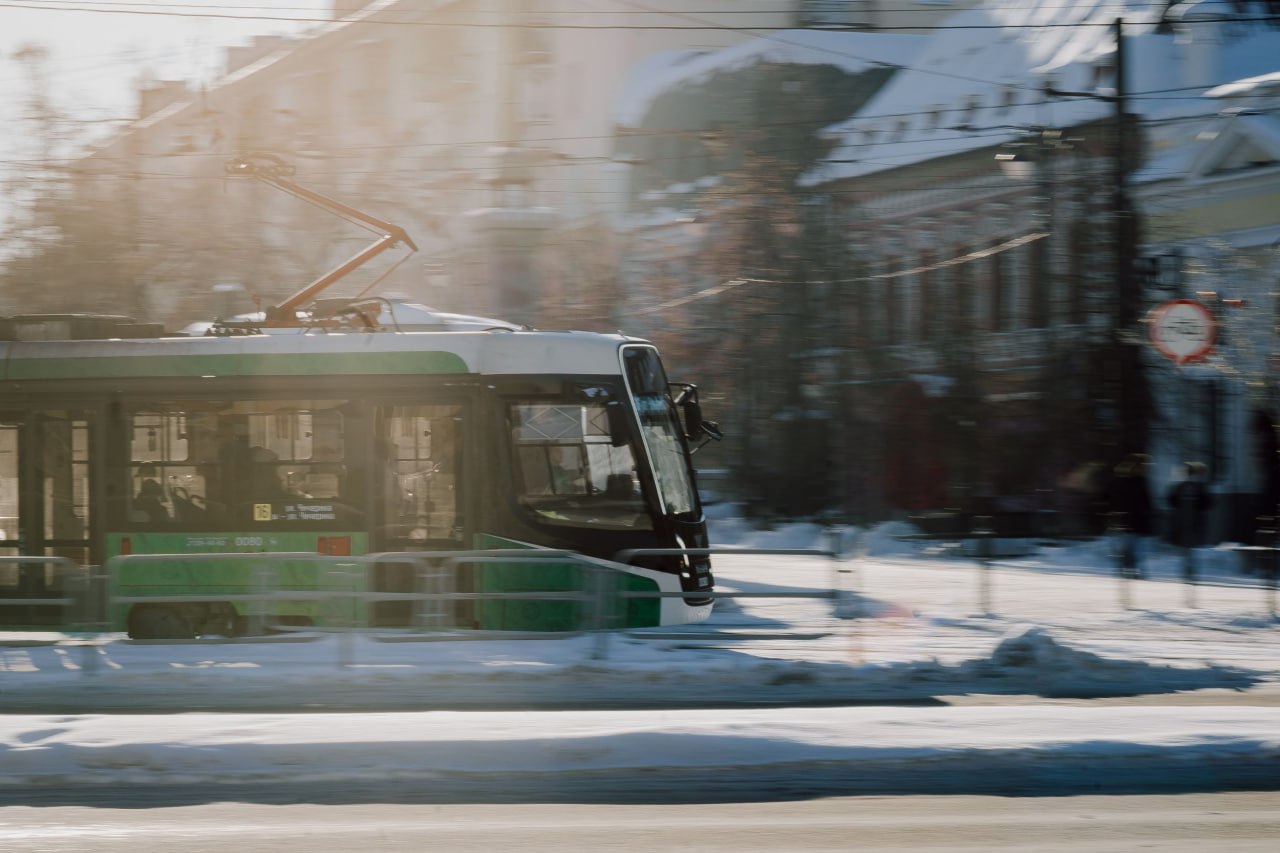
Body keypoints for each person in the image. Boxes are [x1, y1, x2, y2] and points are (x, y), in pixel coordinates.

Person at [1107, 453, 1151, 579]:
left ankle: (1130, 570)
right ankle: (1131, 570)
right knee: (1131, 548)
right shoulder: (1131, 482)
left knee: (1132, 548)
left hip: (1133, 520)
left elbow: (1145, 501)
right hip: (1130, 519)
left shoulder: (1134, 481)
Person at [1168, 461, 1212, 583]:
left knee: (1186, 548)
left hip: (1182, 521)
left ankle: (1187, 570)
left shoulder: (1180, 486)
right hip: (1194, 521)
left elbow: (1171, 501)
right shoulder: (1199, 487)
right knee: (1190, 548)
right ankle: (1190, 570)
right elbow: (1208, 503)